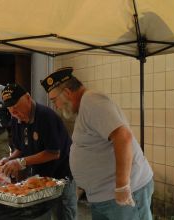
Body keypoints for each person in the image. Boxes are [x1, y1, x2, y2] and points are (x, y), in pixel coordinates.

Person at [40, 67, 154, 220]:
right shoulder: (85, 107)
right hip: (104, 196)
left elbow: (123, 136)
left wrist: (122, 186)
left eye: (55, 100)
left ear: (67, 93)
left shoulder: (92, 101)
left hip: (122, 194)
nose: (56, 106)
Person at [0, 83, 77, 220]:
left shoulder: (46, 116)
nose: (14, 112)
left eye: (16, 107)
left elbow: (53, 152)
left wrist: (21, 162)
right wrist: (10, 159)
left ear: (28, 98)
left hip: (61, 176)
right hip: (39, 179)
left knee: (63, 215)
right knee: (39, 215)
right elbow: (20, 148)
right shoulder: (16, 119)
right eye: (10, 109)